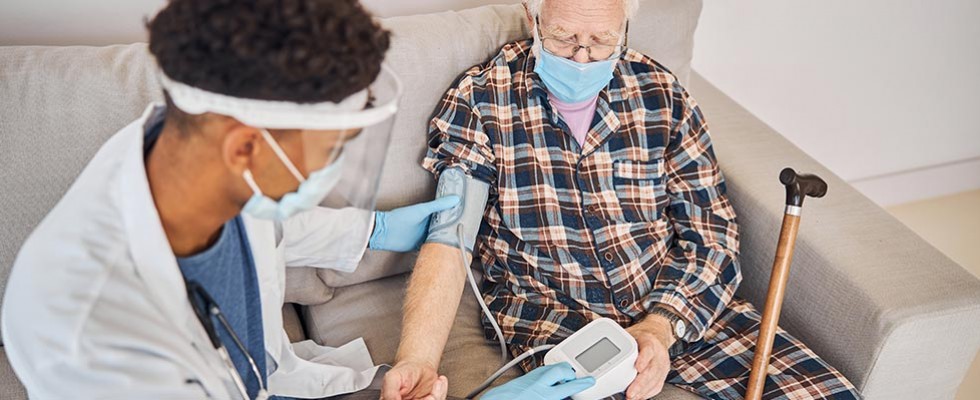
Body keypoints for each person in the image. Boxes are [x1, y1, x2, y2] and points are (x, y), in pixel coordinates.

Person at [383, 0, 862, 399]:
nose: (583, 59)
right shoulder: (479, 100)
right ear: (533, 17)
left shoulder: (662, 94)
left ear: (625, 27)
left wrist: (661, 327)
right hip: (556, 317)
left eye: (603, 40)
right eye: (563, 38)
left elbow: (713, 234)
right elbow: (450, 239)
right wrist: (418, 360)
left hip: (678, 306)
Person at [0, 0, 458, 398]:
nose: (332, 169)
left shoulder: (191, 162)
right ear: (244, 148)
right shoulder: (90, 339)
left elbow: (271, 223)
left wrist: (374, 230)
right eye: (332, 150)